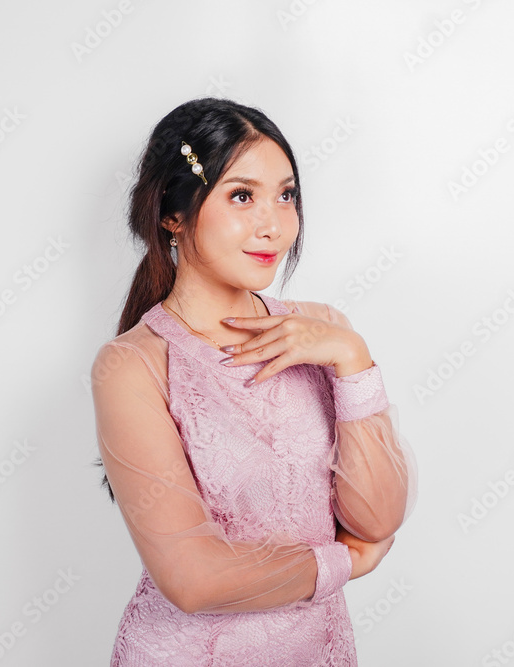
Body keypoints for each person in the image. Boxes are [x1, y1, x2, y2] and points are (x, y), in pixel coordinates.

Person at [90, 97, 418, 666]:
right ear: (172, 214)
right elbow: (193, 580)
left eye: (286, 195)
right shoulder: (133, 364)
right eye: (242, 195)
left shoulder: (324, 331)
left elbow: (377, 519)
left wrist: (352, 357)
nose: (273, 225)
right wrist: (345, 563)